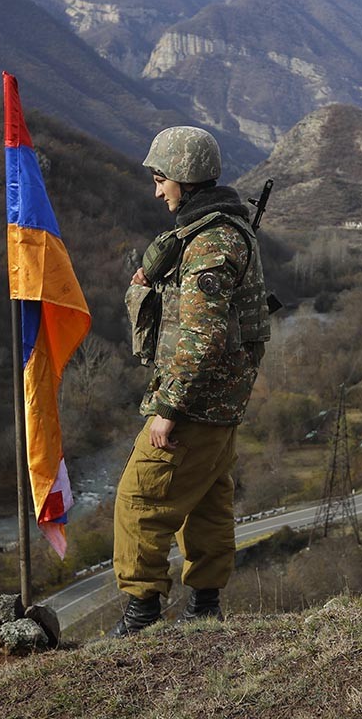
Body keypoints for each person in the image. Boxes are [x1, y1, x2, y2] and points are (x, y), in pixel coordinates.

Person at [111, 126, 269, 636]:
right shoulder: (220, 232)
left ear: (184, 178)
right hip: (219, 405)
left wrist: (169, 408)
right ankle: (204, 610)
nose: (157, 191)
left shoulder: (210, 242)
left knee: (139, 502)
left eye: (161, 180)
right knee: (206, 503)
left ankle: (141, 619)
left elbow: (201, 335)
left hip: (195, 406)